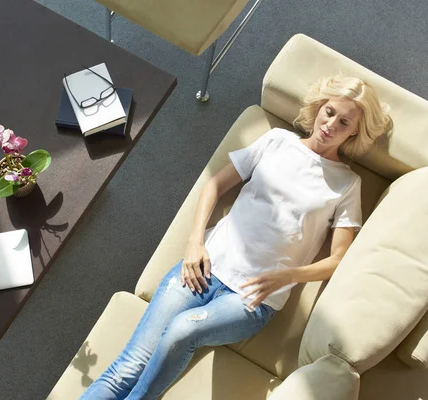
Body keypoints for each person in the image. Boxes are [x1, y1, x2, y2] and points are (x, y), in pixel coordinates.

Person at [80, 74, 392, 400]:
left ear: (354, 131)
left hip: (251, 300)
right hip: (202, 266)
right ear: (319, 106)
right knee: (127, 367)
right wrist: (194, 243)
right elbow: (214, 185)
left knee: (183, 331)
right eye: (329, 112)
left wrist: (290, 275)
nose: (330, 125)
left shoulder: (347, 183)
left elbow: (338, 259)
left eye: (343, 123)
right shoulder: (276, 141)